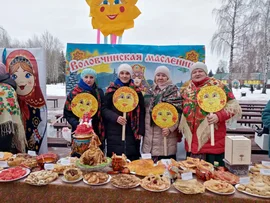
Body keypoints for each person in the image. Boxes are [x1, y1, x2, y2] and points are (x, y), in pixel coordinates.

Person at [179, 62, 242, 166]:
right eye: (194, 72)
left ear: (206, 72)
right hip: (192, 142)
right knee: (193, 176)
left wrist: (218, 116)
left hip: (213, 140)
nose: (197, 74)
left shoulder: (218, 85)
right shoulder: (186, 89)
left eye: (200, 71)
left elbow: (233, 107)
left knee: (213, 176)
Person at [6, 50, 47, 154]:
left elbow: (41, 125)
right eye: (14, 76)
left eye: (27, 75)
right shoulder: (9, 99)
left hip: (32, 145)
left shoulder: (37, 103)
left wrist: (35, 137)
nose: (21, 81)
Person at [102, 64, 145, 161]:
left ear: (130, 75)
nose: (124, 76)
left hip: (132, 131)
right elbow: (103, 109)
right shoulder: (112, 90)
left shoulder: (136, 92)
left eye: (127, 73)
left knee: (132, 162)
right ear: (118, 74)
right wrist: (115, 117)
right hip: (114, 132)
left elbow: (142, 112)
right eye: (122, 73)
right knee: (115, 162)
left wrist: (140, 131)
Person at [142, 66, 182, 162]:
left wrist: (170, 128)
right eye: (158, 75)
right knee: (150, 172)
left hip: (165, 138)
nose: (160, 78)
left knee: (166, 173)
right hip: (149, 138)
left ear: (168, 77)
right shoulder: (149, 91)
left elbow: (178, 114)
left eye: (163, 75)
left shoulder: (174, 92)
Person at [64, 68, 105, 147]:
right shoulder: (74, 93)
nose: (88, 80)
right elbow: (67, 113)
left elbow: (103, 109)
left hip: (96, 129)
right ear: (82, 78)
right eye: (86, 77)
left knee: (96, 155)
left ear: (94, 79)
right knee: (80, 155)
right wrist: (77, 124)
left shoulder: (99, 92)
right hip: (79, 131)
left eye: (91, 77)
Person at [0, 62, 27, 153]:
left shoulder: (6, 88)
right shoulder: (10, 87)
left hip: (5, 126)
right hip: (9, 126)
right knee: (5, 155)